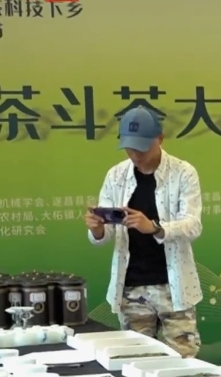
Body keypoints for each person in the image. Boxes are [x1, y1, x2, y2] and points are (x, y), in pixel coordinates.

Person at [83, 107, 202, 357]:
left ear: (160, 139)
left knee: (183, 362)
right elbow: (105, 236)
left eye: (142, 148)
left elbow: (193, 225)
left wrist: (155, 228)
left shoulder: (183, 172)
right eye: (129, 148)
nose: (135, 154)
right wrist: (97, 229)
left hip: (175, 286)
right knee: (135, 362)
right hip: (131, 287)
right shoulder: (116, 175)